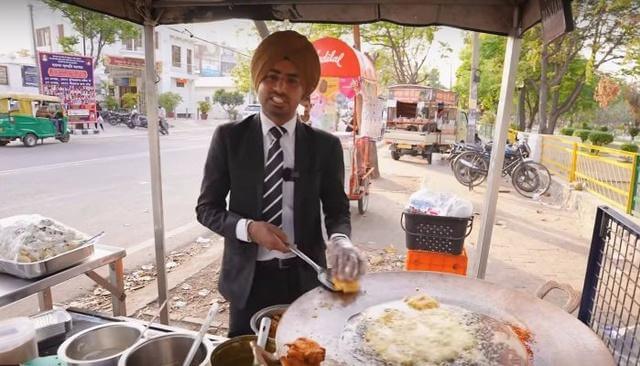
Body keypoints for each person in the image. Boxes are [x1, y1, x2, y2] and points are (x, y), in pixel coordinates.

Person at [196, 30, 366, 338]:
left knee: (304, 353)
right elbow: (207, 209)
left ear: (304, 91)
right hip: (247, 283)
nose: (280, 88)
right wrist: (249, 228)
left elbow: (337, 208)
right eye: (272, 77)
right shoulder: (229, 138)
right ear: (259, 80)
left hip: (305, 280)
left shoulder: (324, 146)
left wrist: (341, 240)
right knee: (250, 354)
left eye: (292, 80)